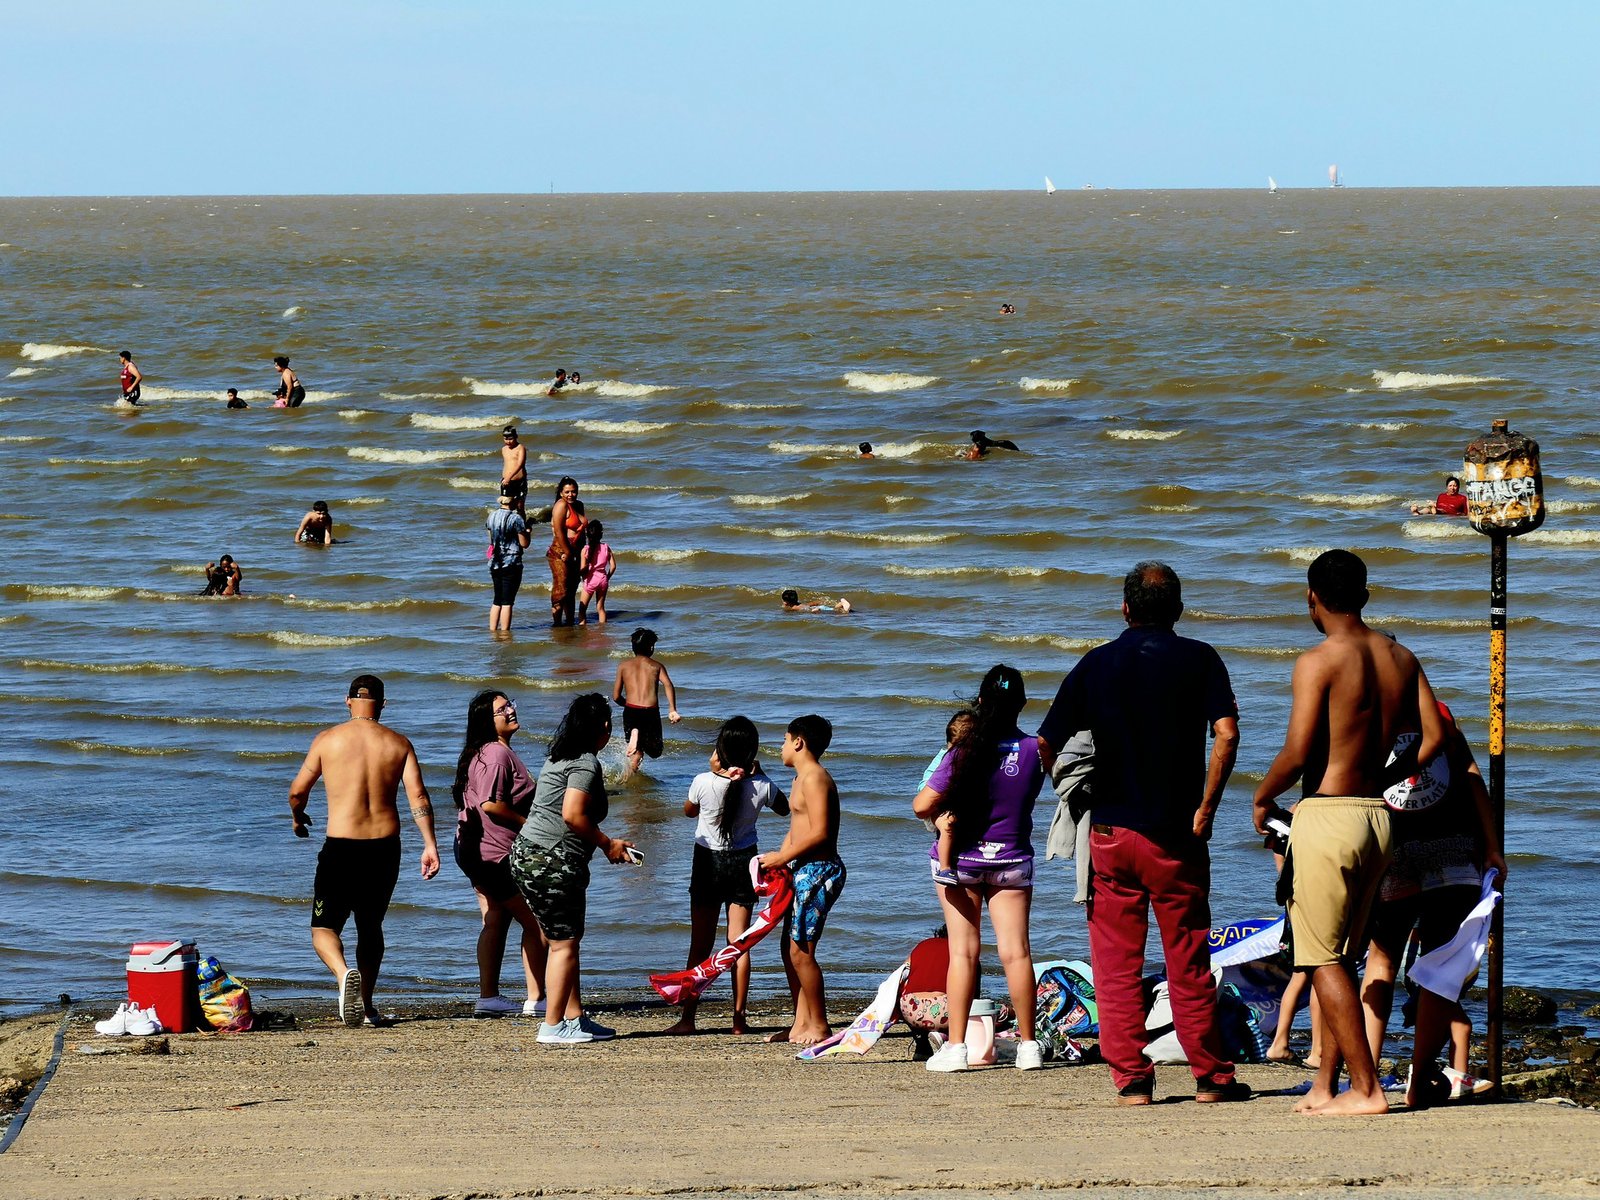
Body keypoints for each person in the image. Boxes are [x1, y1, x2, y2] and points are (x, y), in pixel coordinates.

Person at [1037, 561, 1249, 1105]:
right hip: (1176, 832)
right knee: (1188, 956)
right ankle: (1210, 1077)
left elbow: (1045, 743)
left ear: (1125, 607)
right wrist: (1207, 806)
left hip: (1110, 831)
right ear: (1177, 609)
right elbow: (1226, 734)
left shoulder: (1096, 664)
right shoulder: (1200, 659)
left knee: (1115, 964)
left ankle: (1132, 1080)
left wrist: (1068, 790)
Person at [1253, 548, 1445, 1116]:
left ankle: (1365, 1090)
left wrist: (1263, 796)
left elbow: (1295, 751)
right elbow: (1432, 737)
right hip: (1378, 817)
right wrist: (1389, 775)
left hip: (1329, 815)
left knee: (1320, 958)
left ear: (1312, 597)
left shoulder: (1318, 661)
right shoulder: (1400, 656)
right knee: (1343, 954)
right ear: (1364, 595)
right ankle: (1324, 1085)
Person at [1360, 699, 1506, 1105]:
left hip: (1394, 852)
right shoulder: (1436, 713)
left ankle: (1366, 1073)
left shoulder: (1364, 716)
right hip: (1455, 849)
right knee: (1440, 964)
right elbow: (1472, 778)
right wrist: (1492, 846)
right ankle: (1419, 1078)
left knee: (1383, 958)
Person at [913, 666, 1046, 1072]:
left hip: (963, 862)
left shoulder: (965, 750)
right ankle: (1028, 1047)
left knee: (963, 953)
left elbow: (921, 805)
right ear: (1022, 704)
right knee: (1017, 953)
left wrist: (943, 820)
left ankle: (956, 1048)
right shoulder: (1036, 749)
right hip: (1011, 859)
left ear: (982, 702)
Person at [287, 675, 441, 1026]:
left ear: (347, 701)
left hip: (342, 846)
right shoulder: (399, 744)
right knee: (370, 926)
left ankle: (343, 975)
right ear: (384, 704)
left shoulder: (328, 740)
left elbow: (298, 792)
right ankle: (367, 1007)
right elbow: (418, 797)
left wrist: (298, 818)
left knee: (324, 928)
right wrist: (429, 844)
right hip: (385, 848)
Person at [508, 693, 637, 1045]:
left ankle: (573, 1016)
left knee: (562, 940)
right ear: (605, 727)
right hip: (551, 859)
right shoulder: (584, 764)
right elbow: (573, 814)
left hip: (526, 855)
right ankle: (552, 1026)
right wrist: (607, 843)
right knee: (564, 944)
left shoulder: (558, 757)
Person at [664, 716, 789, 1036]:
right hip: (744, 864)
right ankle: (738, 1019)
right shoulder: (761, 786)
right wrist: (759, 773)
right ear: (752, 754)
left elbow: (688, 811)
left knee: (699, 945)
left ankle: (688, 1019)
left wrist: (712, 769)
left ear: (719, 751)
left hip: (707, 863)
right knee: (738, 944)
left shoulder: (703, 781)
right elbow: (785, 809)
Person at [451, 690, 548, 1018]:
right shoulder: (496, 755)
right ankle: (537, 999)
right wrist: (531, 824)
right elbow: (491, 805)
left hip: (473, 851)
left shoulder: (483, 752)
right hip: (494, 855)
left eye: (510, 704)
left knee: (496, 919)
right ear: (486, 721)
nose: (510, 711)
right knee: (535, 923)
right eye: (501, 709)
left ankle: (489, 998)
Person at [759, 714, 845, 1046]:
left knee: (802, 952)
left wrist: (783, 858)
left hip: (820, 870)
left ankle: (820, 1026)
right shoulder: (798, 779)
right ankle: (800, 1022)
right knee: (788, 948)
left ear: (798, 742)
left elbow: (822, 833)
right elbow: (796, 830)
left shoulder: (815, 778)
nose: (781, 746)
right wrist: (778, 861)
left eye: (784, 739)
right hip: (800, 869)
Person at [611, 627, 681, 775]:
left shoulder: (623, 666)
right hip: (650, 713)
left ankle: (629, 779)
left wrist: (627, 704)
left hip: (630, 711)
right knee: (655, 751)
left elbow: (616, 696)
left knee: (637, 753)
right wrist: (672, 709)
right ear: (651, 647)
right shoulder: (656, 666)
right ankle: (638, 737)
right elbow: (668, 684)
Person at [921, 710, 976, 887]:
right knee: (948, 824)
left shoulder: (969, 759)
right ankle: (945, 868)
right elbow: (925, 788)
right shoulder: (945, 758)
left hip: (954, 803)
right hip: (937, 806)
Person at [487, 494, 531, 632]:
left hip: (495, 562)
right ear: (515, 501)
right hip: (511, 563)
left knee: (497, 600)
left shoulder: (491, 516)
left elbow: (491, 539)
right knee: (508, 602)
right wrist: (528, 531)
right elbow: (524, 543)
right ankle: (505, 633)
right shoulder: (515, 518)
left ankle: (493, 631)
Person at [547, 476, 586, 626]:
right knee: (561, 589)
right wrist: (567, 551)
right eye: (567, 492)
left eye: (574, 491)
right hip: (560, 552)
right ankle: (557, 624)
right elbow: (558, 531)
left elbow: (581, 531)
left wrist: (584, 553)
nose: (571, 495)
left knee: (572, 588)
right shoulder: (561, 505)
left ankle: (569, 623)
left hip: (576, 551)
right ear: (562, 493)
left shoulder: (579, 505)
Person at [575, 520, 615, 626]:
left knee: (582, 609)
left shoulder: (585, 550)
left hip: (591, 580)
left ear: (587, 534)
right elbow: (613, 566)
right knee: (600, 608)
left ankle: (583, 629)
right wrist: (607, 577)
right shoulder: (606, 547)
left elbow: (583, 568)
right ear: (601, 534)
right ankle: (602, 630)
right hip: (603, 579)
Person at [499, 426, 527, 515]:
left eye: (510, 439)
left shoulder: (520, 448)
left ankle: (522, 526)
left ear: (516, 437)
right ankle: (507, 525)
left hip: (519, 481)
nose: (508, 441)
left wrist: (509, 477)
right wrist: (505, 478)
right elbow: (507, 464)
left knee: (519, 506)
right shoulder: (504, 449)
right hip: (506, 481)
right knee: (506, 505)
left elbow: (520, 464)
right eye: (505, 439)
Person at [780, 589, 852, 614]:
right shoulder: (800, 604)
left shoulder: (794, 608)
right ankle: (841, 603)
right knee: (834, 609)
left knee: (841, 612)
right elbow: (812, 603)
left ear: (786, 602)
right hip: (820, 607)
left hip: (818, 609)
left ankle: (844, 606)